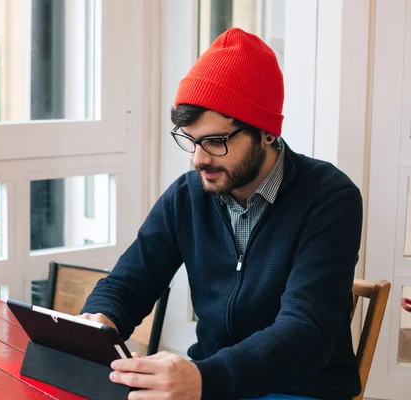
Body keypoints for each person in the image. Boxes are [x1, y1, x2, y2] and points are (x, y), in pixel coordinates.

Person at [80, 28, 363, 400]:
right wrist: (99, 322)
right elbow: (128, 283)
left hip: (301, 388)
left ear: (266, 132)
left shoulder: (330, 198)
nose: (199, 158)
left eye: (216, 141)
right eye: (190, 140)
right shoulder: (187, 195)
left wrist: (203, 379)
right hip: (212, 381)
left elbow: (306, 331)